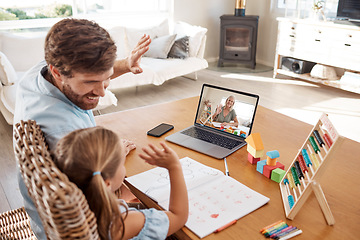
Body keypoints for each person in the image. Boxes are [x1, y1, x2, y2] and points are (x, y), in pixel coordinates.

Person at [13, 18, 151, 239]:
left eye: (105, 79)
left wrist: (125, 64)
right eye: (90, 82)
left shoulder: (38, 74)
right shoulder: (64, 131)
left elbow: (88, 71)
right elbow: (94, 203)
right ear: (57, 72)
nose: (102, 92)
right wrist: (111, 157)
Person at [54, 126, 189, 240]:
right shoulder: (122, 222)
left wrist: (113, 161)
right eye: (121, 164)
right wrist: (174, 167)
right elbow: (178, 216)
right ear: (106, 184)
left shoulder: (71, 208)